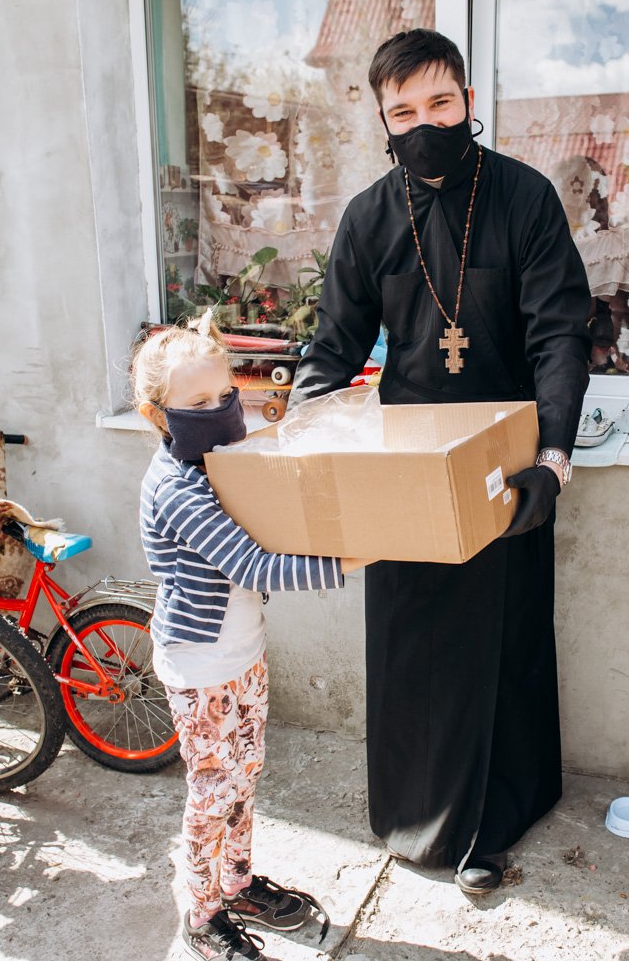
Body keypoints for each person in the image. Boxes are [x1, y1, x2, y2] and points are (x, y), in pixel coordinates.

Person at [289, 28, 592, 894]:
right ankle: (415, 813)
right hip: (404, 469)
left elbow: (561, 335)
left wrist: (555, 456)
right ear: (382, 121)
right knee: (412, 645)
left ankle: (495, 824)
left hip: (509, 462)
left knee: (502, 643)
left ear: (467, 99)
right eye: (404, 112)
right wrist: (302, 437)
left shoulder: (525, 199)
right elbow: (332, 350)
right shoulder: (368, 218)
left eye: (440, 104)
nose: (425, 123)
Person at [132, 312, 371, 961]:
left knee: (244, 775)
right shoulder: (181, 487)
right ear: (159, 416)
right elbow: (253, 564)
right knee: (213, 790)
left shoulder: (219, 465)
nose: (220, 411)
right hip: (201, 665)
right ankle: (201, 915)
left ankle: (234, 882)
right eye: (199, 403)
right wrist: (346, 560)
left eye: (226, 396)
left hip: (241, 654)